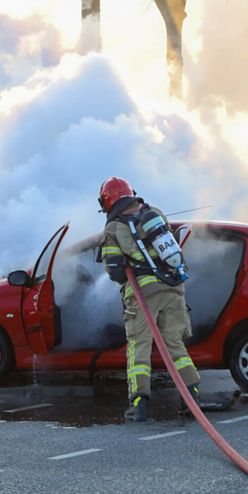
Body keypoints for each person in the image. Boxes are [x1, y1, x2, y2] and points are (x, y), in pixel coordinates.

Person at [97, 177, 200, 421]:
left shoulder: (112, 229)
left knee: (139, 348)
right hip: (174, 289)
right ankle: (192, 396)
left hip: (143, 296)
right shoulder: (156, 214)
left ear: (107, 201)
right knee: (174, 344)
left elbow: (115, 272)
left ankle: (139, 403)